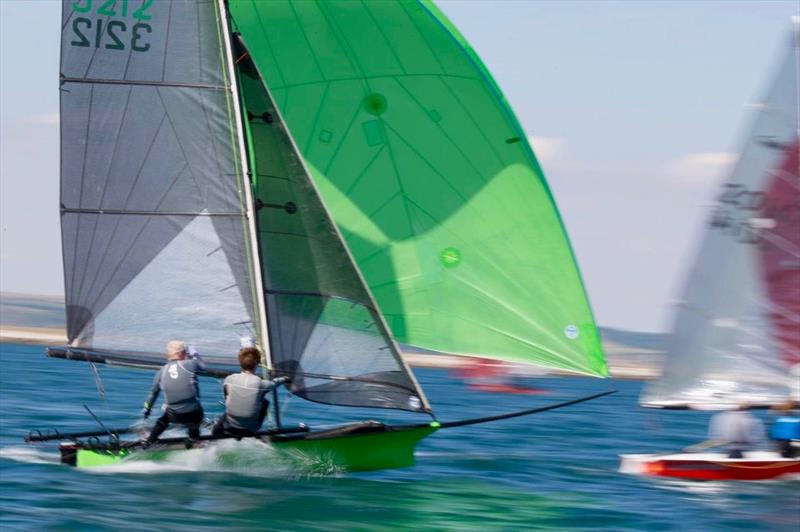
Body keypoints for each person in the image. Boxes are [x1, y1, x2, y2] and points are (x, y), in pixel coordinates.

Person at [212, 347, 290, 438]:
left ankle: (213, 437)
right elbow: (275, 383)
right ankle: (257, 434)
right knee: (265, 401)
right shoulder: (261, 384)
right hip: (250, 431)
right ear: (257, 362)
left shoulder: (229, 379)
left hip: (228, 426)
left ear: (240, 362)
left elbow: (226, 398)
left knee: (230, 403)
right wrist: (285, 379)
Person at [141, 340, 206, 447]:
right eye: (185, 352)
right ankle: (193, 438)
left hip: (173, 416)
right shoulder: (190, 364)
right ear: (180, 354)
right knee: (195, 419)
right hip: (193, 414)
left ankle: (150, 440)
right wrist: (195, 353)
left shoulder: (162, 371)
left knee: (163, 419)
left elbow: (153, 394)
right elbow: (202, 366)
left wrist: (147, 409)